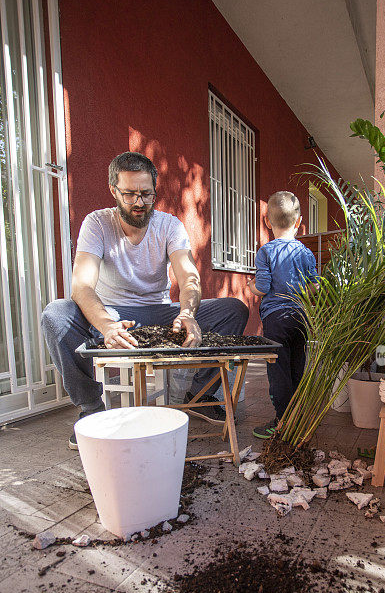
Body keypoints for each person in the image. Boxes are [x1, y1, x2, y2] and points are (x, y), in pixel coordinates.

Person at [41, 151, 248, 449]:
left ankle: (200, 393)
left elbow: (189, 276)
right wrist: (107, 326)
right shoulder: (96, 223)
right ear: (113, 190)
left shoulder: (169, 225)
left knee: (233, 309)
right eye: (129, 194)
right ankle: (90, 409)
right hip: (112, 314)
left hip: (160, 312)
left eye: (146, 194)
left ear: (154, 191)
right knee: (55, 315)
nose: (139, 203)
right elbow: (82, 286)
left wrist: (188, 313)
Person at [247, 191, 317, 439]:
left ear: (267, 222)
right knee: (298, 367)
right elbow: (314, 287)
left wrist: (250, 286)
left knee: (278, 371)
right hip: (301, 317)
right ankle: (299, 417)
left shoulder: (265, 252)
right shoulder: (306, 253)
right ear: (299, 222)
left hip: (275, 320)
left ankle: (282, 422)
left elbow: (263, 287)